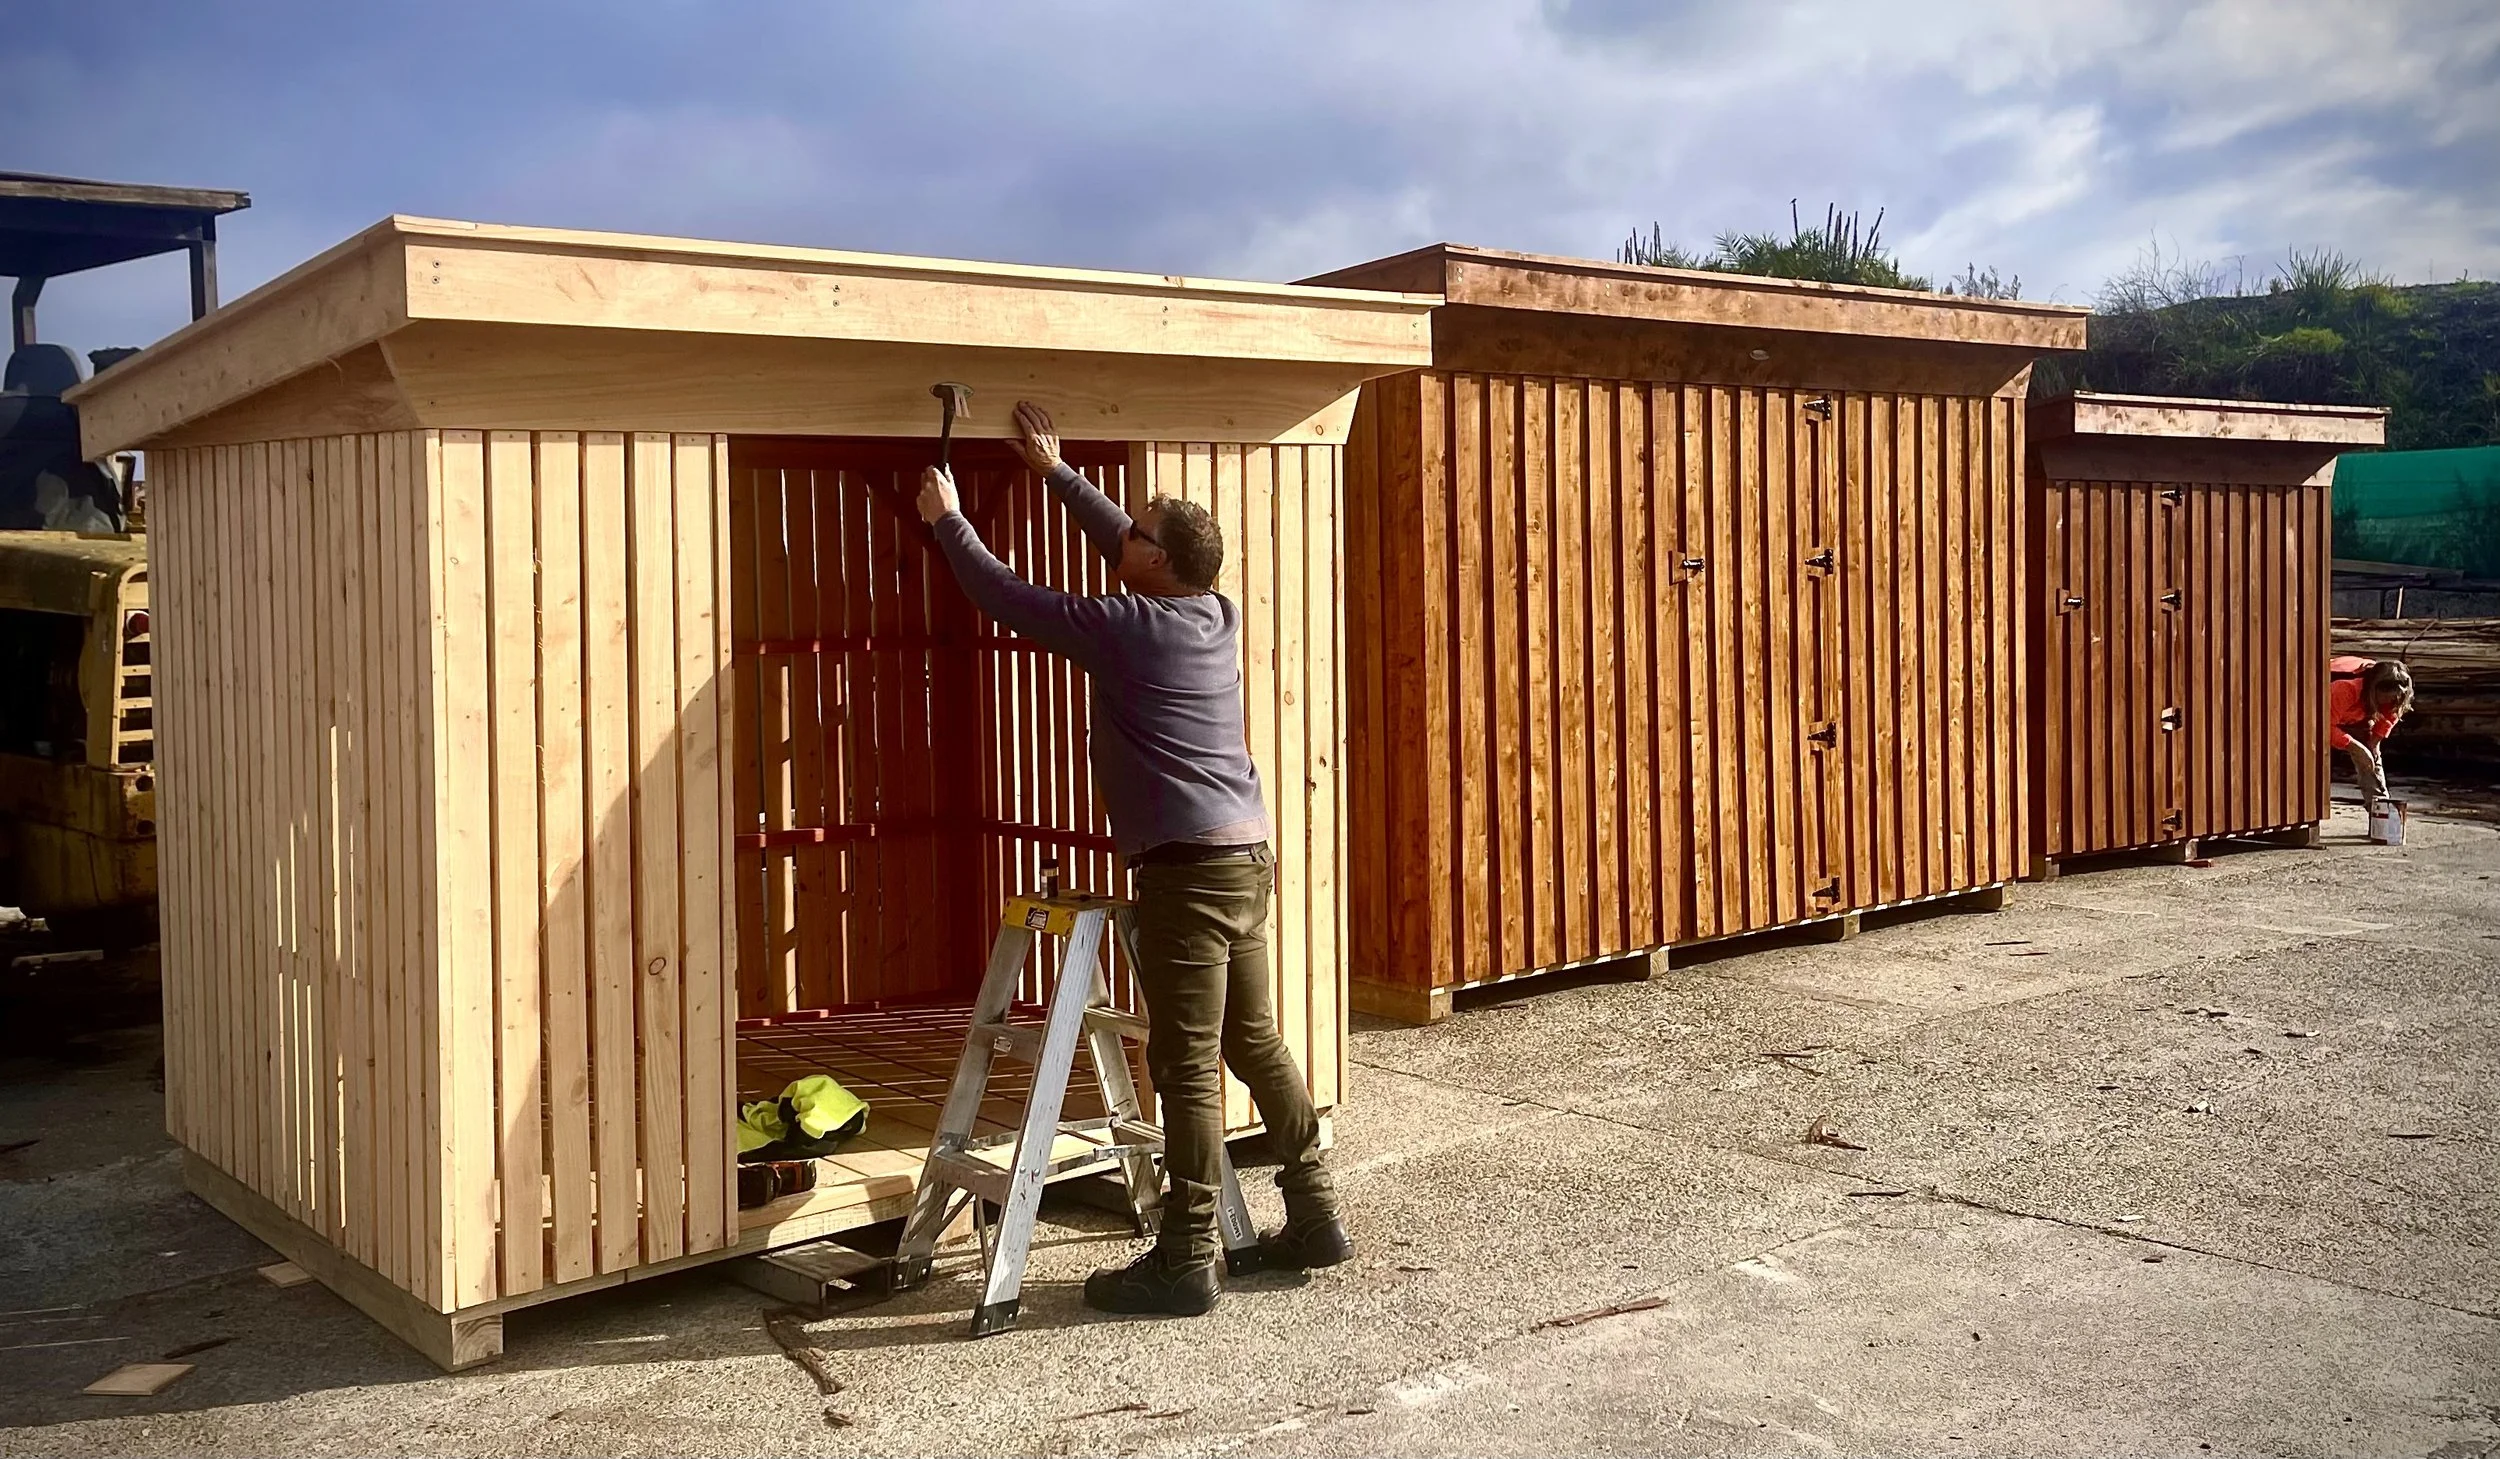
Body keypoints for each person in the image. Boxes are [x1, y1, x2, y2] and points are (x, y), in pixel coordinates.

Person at [915, 401, 1349, 1318]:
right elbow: (1127, 532)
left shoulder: (1129, 625)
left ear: (1154, 562)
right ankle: (1314, 1212)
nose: (1126, 531)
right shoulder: (1212, 610)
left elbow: (1005, 596)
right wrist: (1054, 471)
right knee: (1254, 1041)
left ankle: (1187, 1256)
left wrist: (947, 519)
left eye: (1138, 530)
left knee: (1188, 1066)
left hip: (1186, 875)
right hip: (1244, 858)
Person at [2329, 655, 2413, 808]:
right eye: (2386, 699)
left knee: (2371, 758)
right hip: (2318, 716)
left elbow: (2389, 716)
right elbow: (2322, 727)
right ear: (2374, 690)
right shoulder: (2344, 689)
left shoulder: (2395, 697)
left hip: (2355, 716)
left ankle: (2381, 809)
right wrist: (2354, 746)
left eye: (2395, 700)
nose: (2390, 704)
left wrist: (2373, 745)